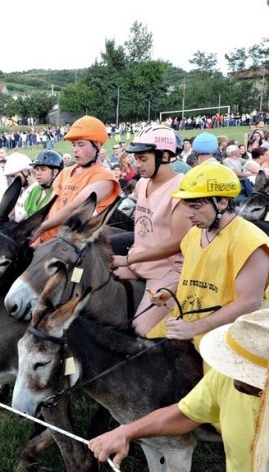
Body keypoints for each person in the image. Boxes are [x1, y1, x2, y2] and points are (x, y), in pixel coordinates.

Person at [89, 311, 268, 472]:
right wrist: (126, 432)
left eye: (246, 372)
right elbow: (184, 414)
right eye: (235, 363)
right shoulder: (226, 376)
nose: (236, 375)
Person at [147, 163, 269, 343]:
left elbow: (249, 302)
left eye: (195, 207)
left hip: (225, 336)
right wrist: (169, 291)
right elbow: (197, 277)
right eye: (186, 206)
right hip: (184, 320)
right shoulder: (193, 234)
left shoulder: (250, 242)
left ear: (222, 202)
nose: (188, 214)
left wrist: (193, 328)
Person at [110, 126, 193, 335]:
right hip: (139, 261)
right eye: (136, 159)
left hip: (168, 270)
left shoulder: (181, 191)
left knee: (142, 329)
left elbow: (177, 242)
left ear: (164, 156)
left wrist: (127, 260)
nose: (137, 165)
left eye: (143, 159)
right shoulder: (141, 184)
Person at [35, 116, 120, 243]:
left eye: (81, 144)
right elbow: (50, 205)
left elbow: (74, 208)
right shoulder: (66, 171)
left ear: (96, 145)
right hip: (43, 241)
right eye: (73, 144)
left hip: (66, 249)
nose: (75, 149)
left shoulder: (105, 178)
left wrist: (39, 229)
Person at [24, 150, 64, 219]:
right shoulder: (35, 189)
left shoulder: (61, 193)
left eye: (43, 169)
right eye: (36, 169)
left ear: (55, 172)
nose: (38, 173)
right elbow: (26, 215)